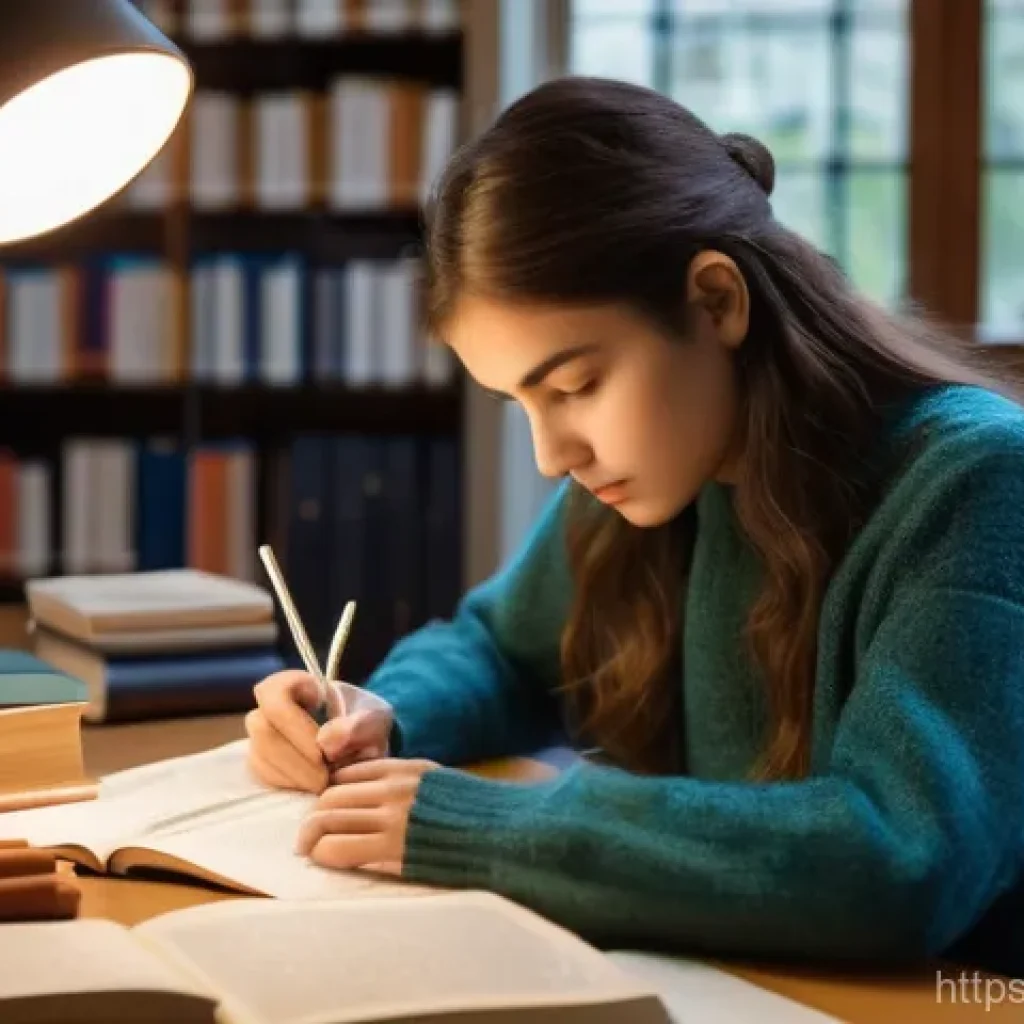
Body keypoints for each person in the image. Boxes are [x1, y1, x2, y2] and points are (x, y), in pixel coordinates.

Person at [245, 77, 1024, 977]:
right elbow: (497, 648)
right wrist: (384, 716)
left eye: (574, 386)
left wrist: (489, 829)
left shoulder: (977, 484)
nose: (550, 454)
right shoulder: (664, 469)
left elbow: (900, 863)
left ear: (718, 301)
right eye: (518, 404)